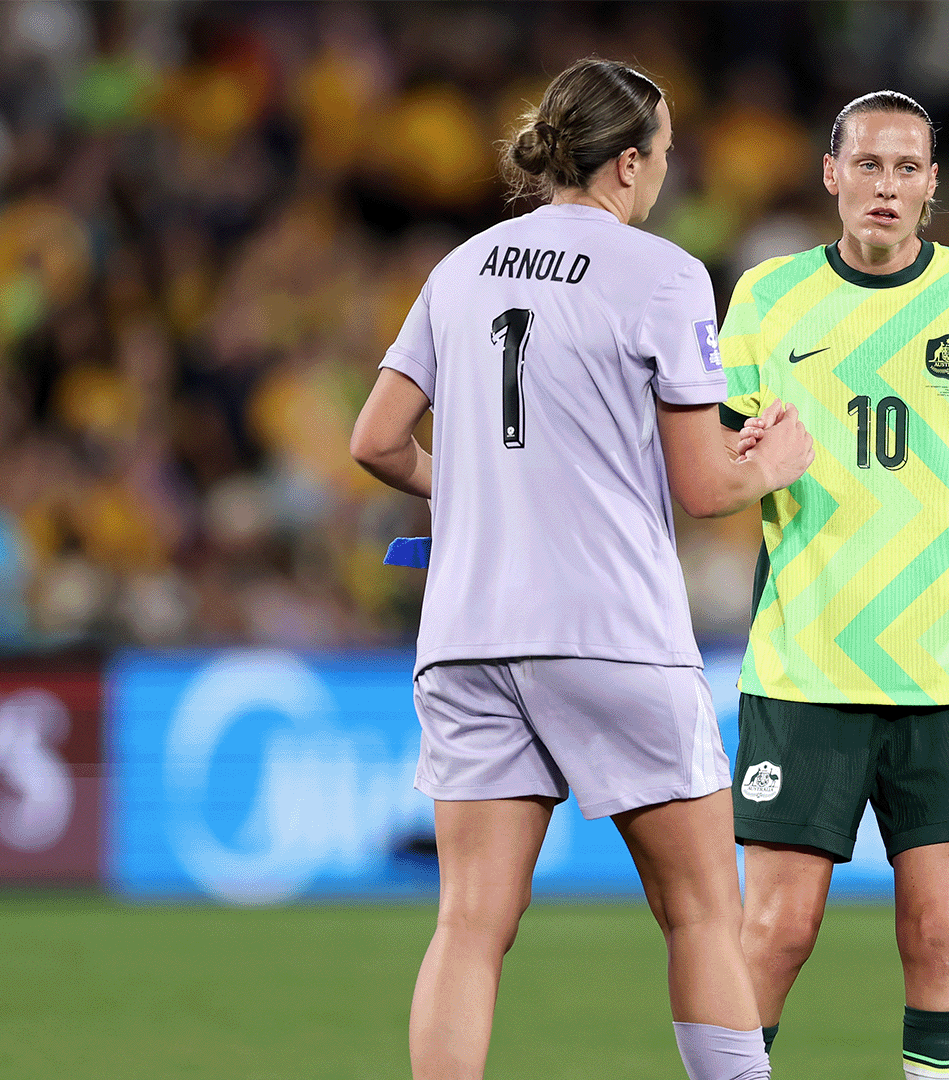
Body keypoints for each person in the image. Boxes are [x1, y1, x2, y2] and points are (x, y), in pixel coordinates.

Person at [348, 58, 812, 1080]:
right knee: (701, 912)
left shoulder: (461, 266)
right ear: (629, 163)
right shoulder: (663, 273)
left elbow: (375, 440)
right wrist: (771, 462)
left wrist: (475, 492)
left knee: (470, 923)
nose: (667, 176)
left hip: (467, 632)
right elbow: (705, 488)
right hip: (610, 629)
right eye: (666, 155)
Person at [719, 90, 949, 1079]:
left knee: (939, 933)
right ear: (831, 173)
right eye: (867, 163)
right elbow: (713, 465)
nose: (886, 184)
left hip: (947, 668)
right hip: (805, 665)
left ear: (932, 184)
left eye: (907, 167)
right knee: (776, 931)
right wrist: (749, 458)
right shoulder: (768, 298)